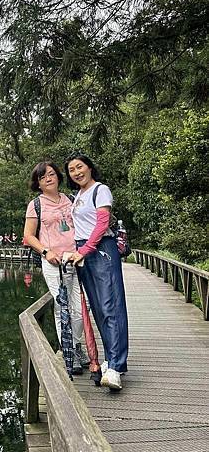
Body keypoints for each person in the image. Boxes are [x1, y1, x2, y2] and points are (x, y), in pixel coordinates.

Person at [64, 152, 129, 390]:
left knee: (111, 305)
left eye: (80, 167)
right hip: (83, 252)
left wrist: (87, 249)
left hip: (101, 249)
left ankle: (116, 366)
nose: (77, 172)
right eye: (72, 170)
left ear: (90, 167)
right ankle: (111, 359)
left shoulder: (100, 189)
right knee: (99, 308)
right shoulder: (79, 195)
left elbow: (102, 223)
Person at [24, 160, 89, 375]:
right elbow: (28, 236)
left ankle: (77, 345)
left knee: (80, 308)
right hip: (53, 263)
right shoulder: (36, 205)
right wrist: (46, 252)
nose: (48, 178)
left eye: (51, 174)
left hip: (76, 260)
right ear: (38, 183)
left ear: (59, 177)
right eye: (43, 177)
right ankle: (69, 349)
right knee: (63, 307)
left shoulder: (71, 199)